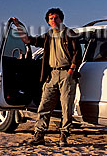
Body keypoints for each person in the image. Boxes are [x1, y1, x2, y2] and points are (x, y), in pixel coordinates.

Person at [12, 8, 82, 147]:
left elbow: (77, 53)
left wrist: (71, 70)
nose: (54, 21)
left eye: (56, 18)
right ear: (48, 21)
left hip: (66, 74)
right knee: (44, 105)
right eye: (51, 18)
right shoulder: (48, 36)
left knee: (66, 107)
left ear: (61, 19)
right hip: (52, 75)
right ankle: (39, 135)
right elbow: (28, 40)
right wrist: (18, 26)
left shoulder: (69, 33)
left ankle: (64, 136)